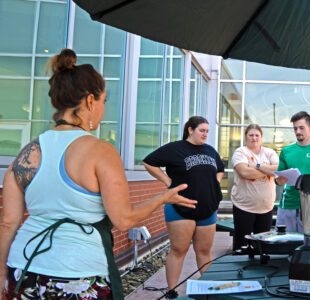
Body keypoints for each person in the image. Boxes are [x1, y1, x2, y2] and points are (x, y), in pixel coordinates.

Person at [0, 49, 196, 300]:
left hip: (23, 270)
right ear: (91, 101)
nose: (104, 108)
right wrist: (163, 198)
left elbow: (8, 224)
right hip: (78, 274)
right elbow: (124, 219)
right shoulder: (100, 151)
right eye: (104, 101)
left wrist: (2, 275)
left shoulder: (26, 153)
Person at [143, 116, 224, 298]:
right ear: (190, 129)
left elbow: (220, 168)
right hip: (180, 206)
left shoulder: (210, 151)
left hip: (208, 207)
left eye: (207, 131)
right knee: (179, 250)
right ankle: (172, 292)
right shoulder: (175, 148)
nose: (205, 134)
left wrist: (215, 183)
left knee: (204, 251)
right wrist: (168, 181)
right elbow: (148, 162)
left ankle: (211, 291)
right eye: (202, 130)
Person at [231, 124, 279, 250]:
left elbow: (278, 169)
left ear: (261, 137)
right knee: (242, 245)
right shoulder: (241, 152)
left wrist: (257, 166)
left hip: (266, 208)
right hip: (244, 207)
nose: (254, 138)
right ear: (246, 137)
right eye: (251, 135)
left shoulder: (269, 153)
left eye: (257, 135)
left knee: (261, 246)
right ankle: (240, 269)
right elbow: (244, 173)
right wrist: (268, 170)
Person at [274, 111, 310, 232]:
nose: (298, 132)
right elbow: (279, 179)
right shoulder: (287, 151)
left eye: (301, 128)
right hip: (288, 204)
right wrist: (279, 180)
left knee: (307, 244)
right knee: (284, 243)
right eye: (295, 128)